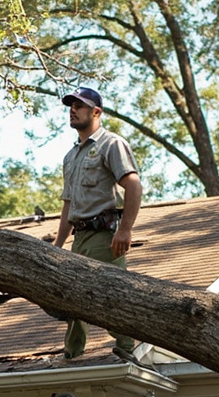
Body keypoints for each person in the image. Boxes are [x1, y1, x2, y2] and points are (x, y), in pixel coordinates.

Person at [53, 87, 144, 363]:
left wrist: (125, 229)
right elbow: (68, 204)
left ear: (96, 112)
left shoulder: (111, 144)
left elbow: (134, 185)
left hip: (105, 234)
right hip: (79, 236)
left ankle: (127, 349)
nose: (73, 110)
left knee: (112, 293)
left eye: (79, 105)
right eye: (70, 105)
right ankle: (72, 352)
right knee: (72, 296)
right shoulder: (71, 156)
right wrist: (58, 245)